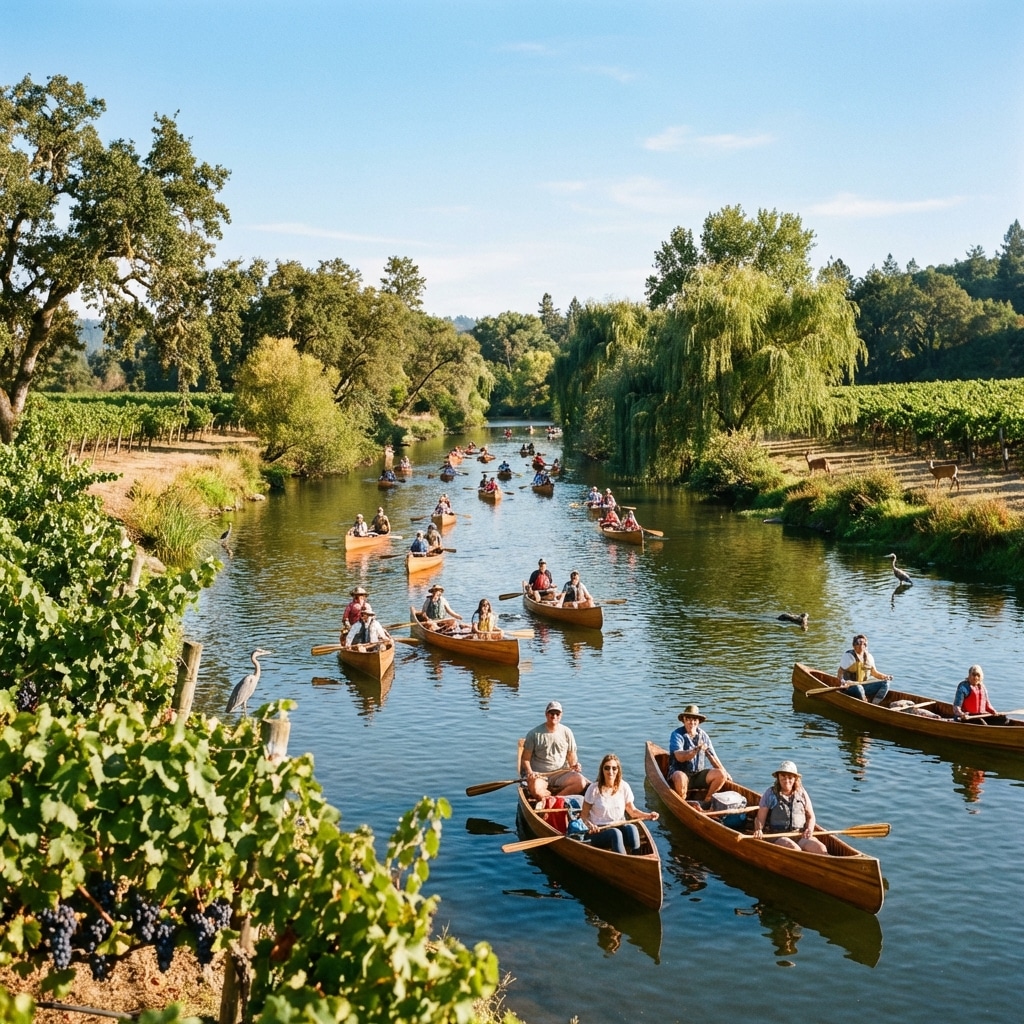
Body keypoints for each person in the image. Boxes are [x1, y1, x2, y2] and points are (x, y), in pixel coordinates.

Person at [580, 753, 658, 855]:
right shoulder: (593, 789)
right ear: (602, 770)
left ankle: (637, 857)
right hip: (599, 832)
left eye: (614, 768)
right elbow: (584, 816)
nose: (610, 771)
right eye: (607, 768)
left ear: (618, 770)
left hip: (619, 825)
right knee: (615, 833)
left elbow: (632, 811)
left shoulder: (624, 786)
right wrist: (591, 826)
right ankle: (625, 860)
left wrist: (648, 815)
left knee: (632, 828)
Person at [753, 761, 829, 854]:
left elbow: (811, 816)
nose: (786, 780)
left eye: (790, 777)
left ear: (795, 779)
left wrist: (809, 829)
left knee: (821, 848)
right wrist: (758, 830)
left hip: (799, 835)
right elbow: (760, 819)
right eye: (783, 776)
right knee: (795, 849)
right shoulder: (770, 794)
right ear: (778, 777)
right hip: (777, 836)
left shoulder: (802, 793)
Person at [520, 701, 587, 799]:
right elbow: (525, 759)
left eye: (557, 714)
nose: (554, 716)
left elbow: (571, 755)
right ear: (546, 714)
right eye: (552, 713)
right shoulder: (534, 734)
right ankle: (547, 798)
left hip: (561, 774)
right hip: (540, 775)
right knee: (537, 791)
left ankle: (555, 799)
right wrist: (530, 773)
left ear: (561, 715)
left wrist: (575, 766)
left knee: (581, 783)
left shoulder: (567, 732)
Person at [667, 705, 731, 801]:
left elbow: (713, 757)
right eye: (688, 719)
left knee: (721, 774)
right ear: (684, 720)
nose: (692, 722)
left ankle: (707, 800)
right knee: (680, 777)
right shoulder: (677, 734)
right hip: (680, 773)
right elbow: (679, 756)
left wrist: (726, 773)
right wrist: (694, 751)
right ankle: (683, 802)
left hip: (697, 774)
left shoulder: (703, 736)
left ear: (698, 722)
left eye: (695, 720)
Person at [837, 634, 892, 703]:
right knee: (859, 687)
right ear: (854, 645)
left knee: (885, 683)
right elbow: (839, 673)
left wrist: (885, 677)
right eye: (859, 643)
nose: (861, 645)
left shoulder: (869, 657)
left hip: (864, 686)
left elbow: (875, 673)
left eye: (864, 643)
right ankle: (864, 702)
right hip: (850, 687)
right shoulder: (848, 656)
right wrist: (843, 682)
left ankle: (874, 704)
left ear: (866, 646)